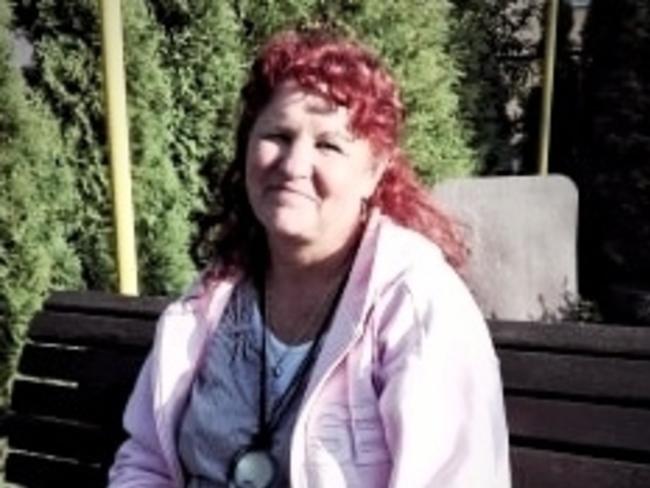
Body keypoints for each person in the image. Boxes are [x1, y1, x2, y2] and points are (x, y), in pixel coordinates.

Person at [108, 27, 510, 488]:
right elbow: (146, 462)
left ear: (374, 172)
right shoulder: (209, 303)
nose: (294, 165)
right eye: (278, 135)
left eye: (328, 145)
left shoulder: (416, 304)